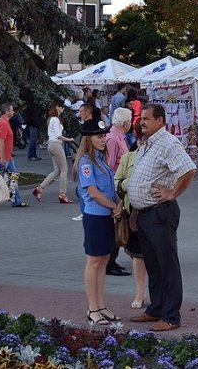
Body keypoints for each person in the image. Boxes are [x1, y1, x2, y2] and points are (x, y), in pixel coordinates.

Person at [128, 103, 197, 332]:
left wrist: (172, 193)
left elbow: (189, 170)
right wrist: (135, 208)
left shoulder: (168, 143)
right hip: (145, 213)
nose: (142, 122)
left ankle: (171, 316)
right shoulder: (147, 143)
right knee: (153, 265)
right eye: (141, 118)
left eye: (147, 118)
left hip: (160, 213)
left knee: (167, 266)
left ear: (160, 120)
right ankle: (156, 308)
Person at [76, 118, 123, 326]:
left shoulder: (100, 160)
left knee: (104, 260)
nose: (104, 140)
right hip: (95, 217)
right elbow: (94, 193)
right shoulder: (86, 162)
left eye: (104, 136)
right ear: (89, 139)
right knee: (94, 262)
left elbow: (109, 189)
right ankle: (92, 308)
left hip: (105, 216)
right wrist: (114, 206)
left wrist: (117, 203)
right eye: (99, 136)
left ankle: (101, 305)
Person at [116, 144, 148, 310]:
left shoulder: (159, 157)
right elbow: (117, 183)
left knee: (157, 256)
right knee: (138, 255)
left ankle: (160, 295)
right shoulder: (128, 158)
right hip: (133, 213)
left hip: (155, 212)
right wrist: (131, 182)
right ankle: (140, 294)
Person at [104, 106, 133, 277]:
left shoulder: (119, 137)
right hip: (115, 187)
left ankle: (112, 260)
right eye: (130, 121)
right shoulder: (113, 138)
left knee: (119, 223)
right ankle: (109, 262)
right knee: (116, 224)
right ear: (125, 123)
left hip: (120, 186)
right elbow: (109, 165)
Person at [33, 100, 75, 203]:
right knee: (64, 169)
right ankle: (62, 194)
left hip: (51, 145)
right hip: (56, 145)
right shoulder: (55, 119)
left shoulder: (51, 119)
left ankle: (40, 188)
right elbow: (58, 135)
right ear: (57, 107)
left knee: (57, 170)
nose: (63, 108)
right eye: (62, 107)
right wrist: (68, 139)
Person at [0, 102, 27, 208]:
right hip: (2, 158)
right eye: (12, 110)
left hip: (6, 157)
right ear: (7, 112)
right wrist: (2, 157)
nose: (13, 112)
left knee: (13, 177)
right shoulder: (3, 124)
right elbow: (0, 141)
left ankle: (17, 200)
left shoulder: (2, 122)